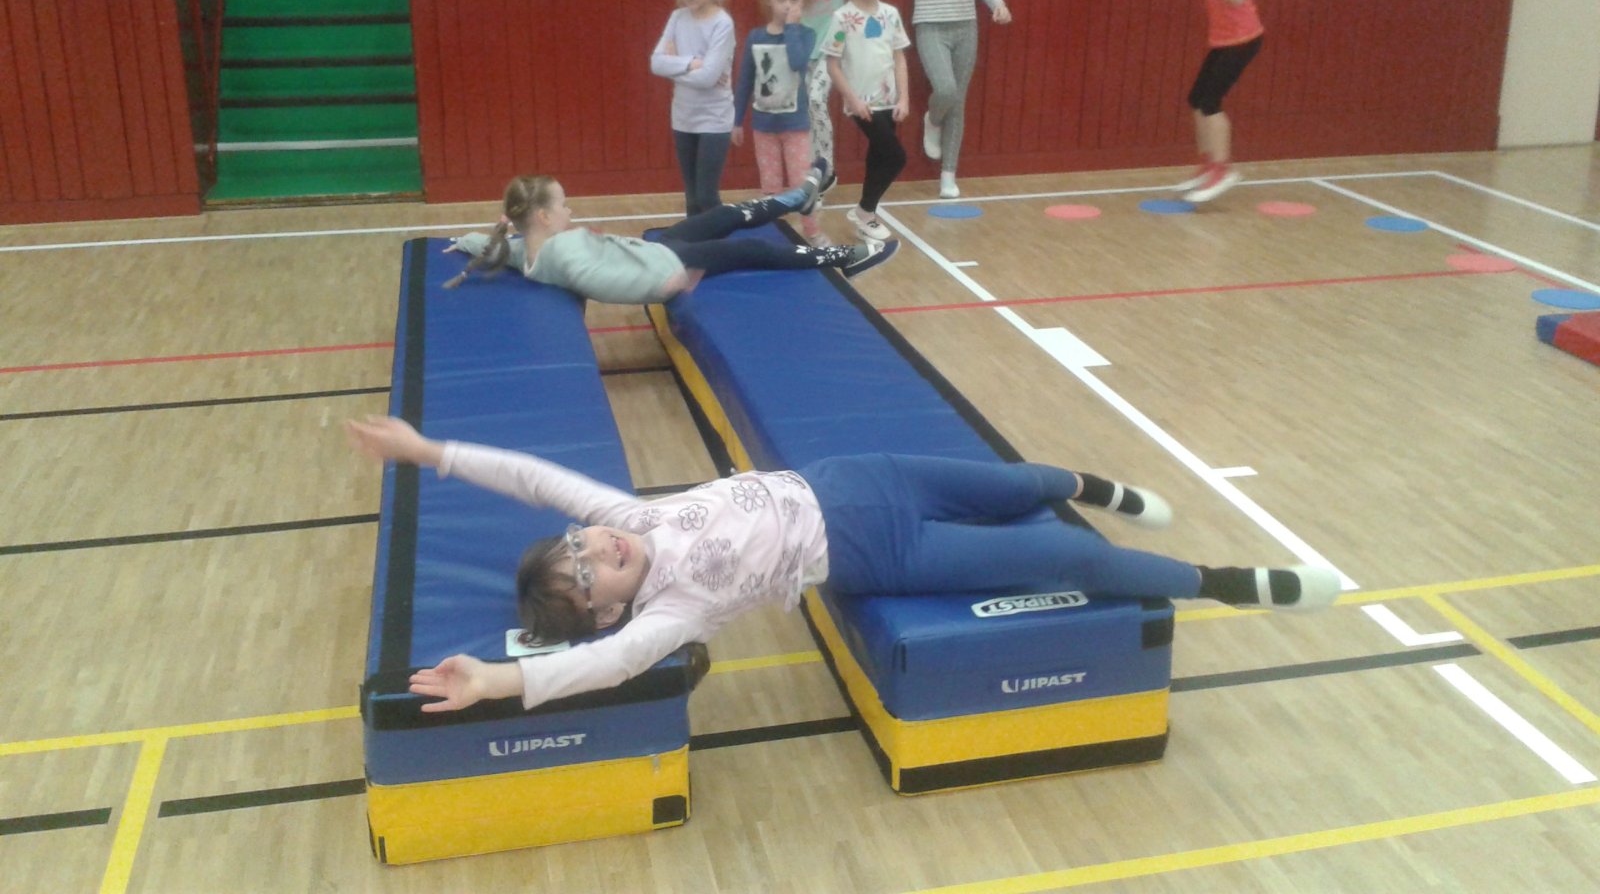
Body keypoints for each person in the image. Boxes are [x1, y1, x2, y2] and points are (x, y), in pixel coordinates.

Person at [344, 418, 1342, 715]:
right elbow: (599, 669)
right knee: (1061, 555)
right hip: (879, 550)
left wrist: (432, 453)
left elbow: (534, 476)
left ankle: (1095, 482)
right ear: (609, 612)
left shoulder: (627, 515)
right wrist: (500, 681)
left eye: (578, 547)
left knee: (1018, 482)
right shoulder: (673, 612)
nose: (594, 550)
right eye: (587, 578)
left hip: (859, 473)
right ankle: (1227, 583)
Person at [443, 166, 897, 303]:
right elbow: (603, 284)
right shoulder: (562, 252)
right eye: (563, 205)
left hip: (657, 251)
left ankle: (800, 196)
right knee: (752, 248)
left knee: (725, 215)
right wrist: (666, 284)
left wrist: (464, 240)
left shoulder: (526, 251)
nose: (570, 210)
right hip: (667, 266)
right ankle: (848, 257)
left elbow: (494, 246)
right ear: (543, 217)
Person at [874, 0, 1011, 200]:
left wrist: (998, 3)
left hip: (966, 26)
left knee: (958, 101)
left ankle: (948, 174)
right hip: (930, 26)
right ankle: (932, 120)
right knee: (946, 89)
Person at [1173, 0, 1266, 204]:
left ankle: (1223, 170)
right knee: (1197, 99)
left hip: (1242, 39)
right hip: (1227, 38)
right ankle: (1208, 165)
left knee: (1210, 103)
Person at [823, 0, 911, 243]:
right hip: (863, 104)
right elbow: (832, 64)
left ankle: (866, 214)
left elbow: (899, 57)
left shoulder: (891, 14)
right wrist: (853, 99)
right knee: (896, 156)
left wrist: (904, 97)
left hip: (889, 101)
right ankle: (864, 211)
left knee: (879, 157)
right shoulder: (843, 18)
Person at [732, 0, 823, 243]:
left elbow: (797, 62)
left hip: (795, 126)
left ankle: (812, 233)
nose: (787, 5)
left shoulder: (805, 35)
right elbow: (745, 80)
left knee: (801, 184)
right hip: (764, 126)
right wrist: (737, 120)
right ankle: (772, 236)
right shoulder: (755, 37)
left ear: (804, 1)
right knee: (770, 187)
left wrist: (791, 28)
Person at [650, 0, 736, 216]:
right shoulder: (677, 18)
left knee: (706, 195)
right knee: (692, 197)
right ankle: (697, 242)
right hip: (683, 117)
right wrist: (690, 63)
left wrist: (674, 68)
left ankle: (720, 239)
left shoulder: (722, 23)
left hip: (714, 118)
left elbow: (708, 78)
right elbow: (655, 63)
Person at [792, 0, 847, 234]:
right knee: (803, 114)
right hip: (803, 52)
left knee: (816, 101)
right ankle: (810, 177)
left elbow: (848, 13)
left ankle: (825, 170)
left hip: (831, 53)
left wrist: (839, 47)